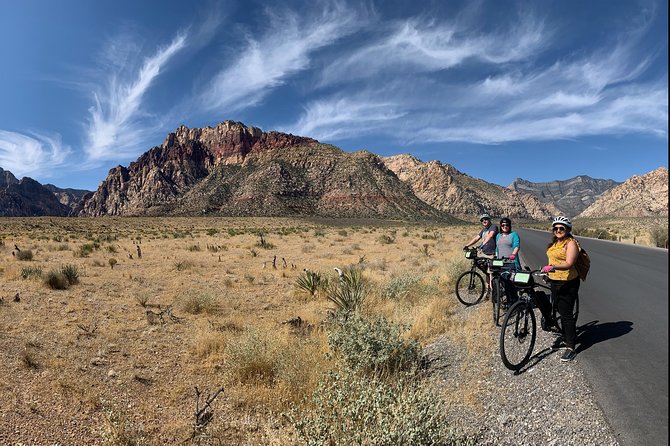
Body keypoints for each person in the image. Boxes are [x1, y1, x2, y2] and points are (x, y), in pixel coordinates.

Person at [541, 216, 580, 362]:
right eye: (556, 228)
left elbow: (569, 263)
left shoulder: (571, 244)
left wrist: (553, 267)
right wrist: (547, 272)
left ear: (568, 230)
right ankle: (565, 335)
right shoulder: (554, 244)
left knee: (566, 313)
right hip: (554, 279)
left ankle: (571, 347)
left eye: (561, 228)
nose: (558, 230)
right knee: (556, 307)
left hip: (568, 282)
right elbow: (552, 260)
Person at [464, 213, 499, 294]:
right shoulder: (483, 230)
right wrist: (467, 245)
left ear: (489, 220)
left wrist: (482, 245)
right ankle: (488, 290)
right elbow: (476, 238)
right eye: (482, 220)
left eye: (486, 219)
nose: (484, 221)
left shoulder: (493, 227)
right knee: (486, 272)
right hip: (484, 253)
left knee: (491, 273)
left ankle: (494, 292)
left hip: (492, 254)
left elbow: (490, 235)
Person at [495, 217, 521, 303]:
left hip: (511, 263)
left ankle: (514, 303)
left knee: (511, 284)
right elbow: (497, 248)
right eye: (503, 225)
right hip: (500, 263)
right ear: (500, 226)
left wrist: (513, 254)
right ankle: (509, 301)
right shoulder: (498, 236)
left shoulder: (514, 235)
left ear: (509, 226)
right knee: (504, 283)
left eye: (507, 225)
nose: (505, 226)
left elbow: (517, 245)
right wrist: (496, 257)